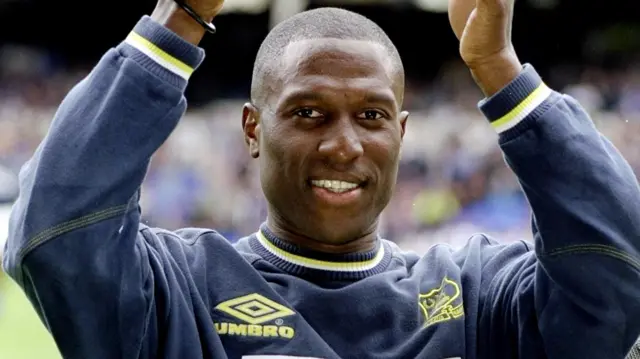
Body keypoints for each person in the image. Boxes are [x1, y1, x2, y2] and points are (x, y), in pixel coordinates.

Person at [2, 0, 639, 357]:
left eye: (372, 116)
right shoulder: (176, 295)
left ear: (402, 134)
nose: (343, 144)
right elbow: (56, 233)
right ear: (252, 130)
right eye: (308, 113)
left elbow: (619, 267)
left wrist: (501, 71)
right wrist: (179, 16)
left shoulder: (479, 301)